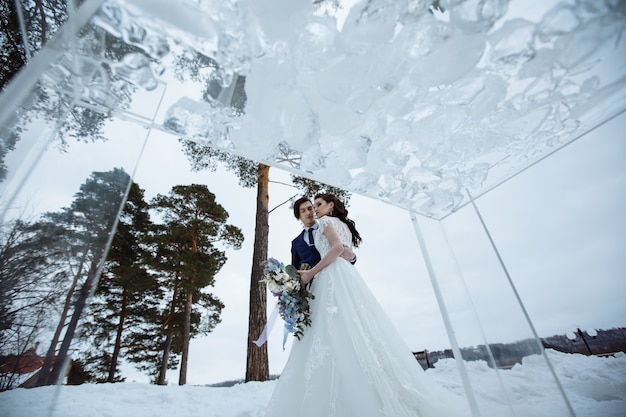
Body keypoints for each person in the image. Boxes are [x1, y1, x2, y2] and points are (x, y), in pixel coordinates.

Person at [264, 194, 486, 417]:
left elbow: (344, 253)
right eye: (304, 210)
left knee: (352, 329)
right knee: (327, 338)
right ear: (298, 216)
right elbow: (296, 271)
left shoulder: (326, 223)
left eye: (312, 207)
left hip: (336, 281)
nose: (310, 211)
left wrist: (342, 257)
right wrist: (297, 294)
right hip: (316, 293)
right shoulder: (297, 242)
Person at [290, 196, 356, 270]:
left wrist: (352, 257)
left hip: (334, 273)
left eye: (310, 208)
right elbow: (294, 270)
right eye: (303, 211)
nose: (308, 212)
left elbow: (346, 253)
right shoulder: (295, 243)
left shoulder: (329, 226)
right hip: (311, 280)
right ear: (298, 216)